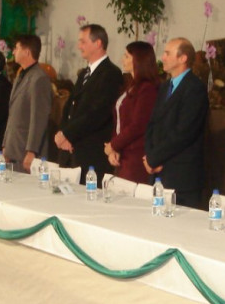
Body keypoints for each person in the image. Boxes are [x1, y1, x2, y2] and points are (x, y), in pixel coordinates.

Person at [143, 38, 209, 209]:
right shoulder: (165, 87)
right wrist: (150, 156)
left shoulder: (194, 88)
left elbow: (183, 133)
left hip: (181, 176)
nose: (162, 57)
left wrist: (154, 158)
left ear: (183, 58)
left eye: (167, 53)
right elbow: (152, 124)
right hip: (158, 172)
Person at [55, 24, 124, 183]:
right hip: (71, 149)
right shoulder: (85, 73)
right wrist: (62, 133)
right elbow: (70, 106)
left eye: (83, 42)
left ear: (98, 43)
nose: (79, 46)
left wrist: (68, 134)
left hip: (91, 151)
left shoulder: (110, 73)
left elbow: (97, 113)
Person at [104, 41, 160, 183]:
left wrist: (113, 145)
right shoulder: (131, 85)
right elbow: (119, 122)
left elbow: (138, 125)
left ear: (139, 60)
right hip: (123, 153)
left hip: (135, 155)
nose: (123, 59)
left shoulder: (147, 89)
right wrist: (114, 148)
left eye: (127, 56)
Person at [3, 35, 53, 172]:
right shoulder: (21, 75)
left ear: (27, 52)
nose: (13, 52)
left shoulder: (39, 78)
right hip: (14, 147)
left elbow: (39, 118)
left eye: (17, 48)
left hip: (25, 149)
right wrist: (6, 144)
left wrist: (32, 150)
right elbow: (12, 113)